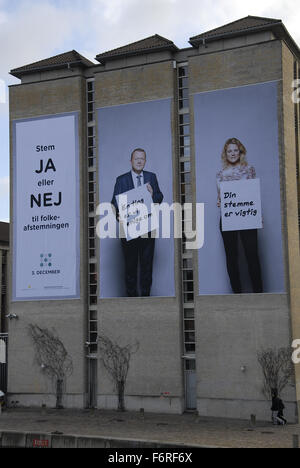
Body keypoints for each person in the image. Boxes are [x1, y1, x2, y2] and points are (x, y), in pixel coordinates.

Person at [111, 148, 163, 297]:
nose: (139, 161)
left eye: (142, 159)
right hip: (128, 231)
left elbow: (160, 197)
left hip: (147, 229)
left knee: (147, 267)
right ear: (131, 161)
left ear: (145, 161)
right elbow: (114, 202)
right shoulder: (121, 180)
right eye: (136, 159)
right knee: (130, 268)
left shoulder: (151, 177)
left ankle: (146, 299)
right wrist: (119, 215)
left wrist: (153, 195)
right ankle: (131, 302)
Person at [216, 137, 263, 294]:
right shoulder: (220, 174)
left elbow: (254, 195)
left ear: (240, 151)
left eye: (235, 150)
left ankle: (259, 292)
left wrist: (258, 214)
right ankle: (237, 294)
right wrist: (219, 201)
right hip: (228, 218)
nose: (233, 153)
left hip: (248, 217)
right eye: (229, 151)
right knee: (232, 257)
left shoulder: (250, 170)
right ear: (225, 154)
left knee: (252, 255)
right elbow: (220, 198)